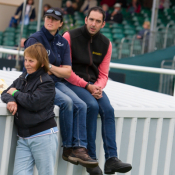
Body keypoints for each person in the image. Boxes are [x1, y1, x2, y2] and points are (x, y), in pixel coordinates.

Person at [24, 7, 98, 168]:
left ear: (60, 23)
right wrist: (53, 69)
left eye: (54, 19)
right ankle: (68, 148)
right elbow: (33, 69)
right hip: (39, 83)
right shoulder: (35, 39)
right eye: (48, 18)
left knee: (82, 105)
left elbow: (67, 71)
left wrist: (47, 65)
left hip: (57, 81)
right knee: (67, 102)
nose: (50, 21)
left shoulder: (62, 42)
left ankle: (79, 147)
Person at [63, 6, 132, 175]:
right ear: (86, 19)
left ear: (103, 24)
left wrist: (98, 87)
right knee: (92, 107)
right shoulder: (70, 36)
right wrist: (87, 86)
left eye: (98, 21)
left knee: (108, 109)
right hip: (73, 82)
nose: (93, 24)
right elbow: (66, 71)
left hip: (93, 85)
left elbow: (103, 74)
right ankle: (91, 160)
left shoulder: (106, 44)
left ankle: (111, 159)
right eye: (91, 19)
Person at [1, 43, 58, 175]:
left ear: (42, 63)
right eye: (25, 60)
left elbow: (33, 102)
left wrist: (15, 94)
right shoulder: (23, 77)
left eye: (31, 61)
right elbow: (5, 92)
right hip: (23, 137)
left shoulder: (47, 82)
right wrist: (11, 100)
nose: (27, 64)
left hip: (43, 136)